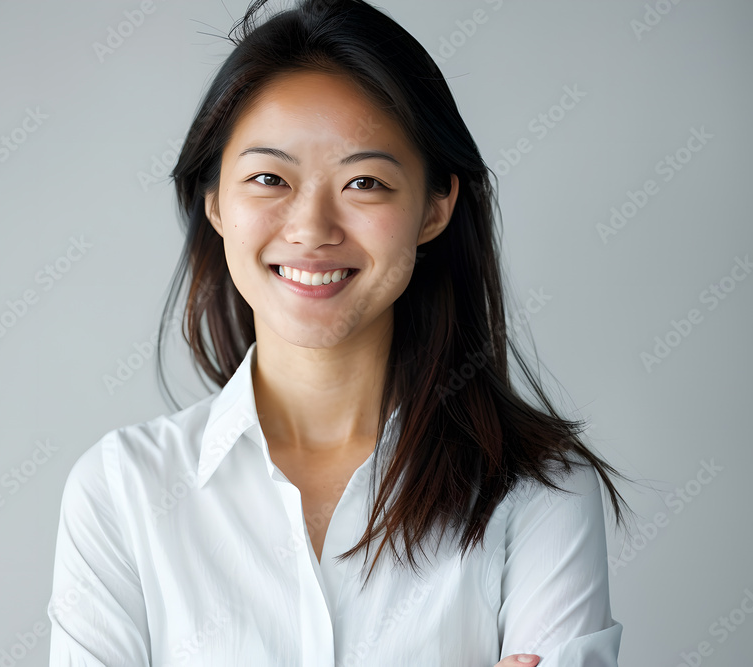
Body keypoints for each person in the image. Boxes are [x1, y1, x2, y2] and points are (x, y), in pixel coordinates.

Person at [47, 0, 637, 664]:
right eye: (269, 177)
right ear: (215, 200)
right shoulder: (122, 492)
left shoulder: (539, 489)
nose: (311, 227)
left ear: (435, 207)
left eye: (365, 181)